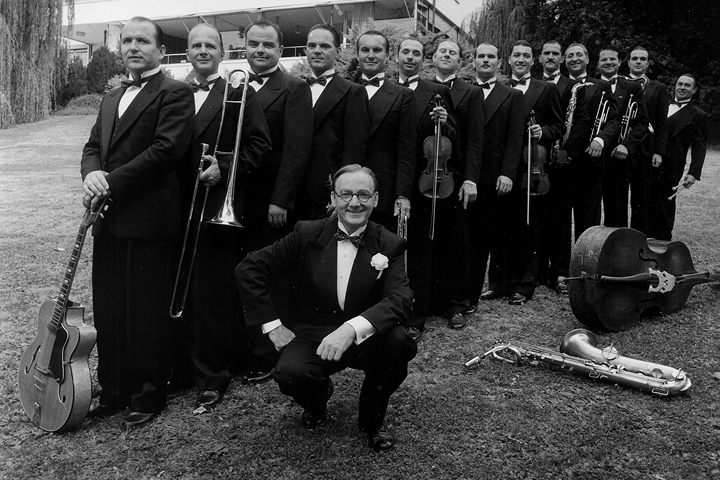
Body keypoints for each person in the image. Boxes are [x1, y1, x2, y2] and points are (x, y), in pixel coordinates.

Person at [236, 164, 417, 452]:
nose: (354, 202)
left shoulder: (389, 243)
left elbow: (400, 298)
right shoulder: (307, 232)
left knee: (397, 342)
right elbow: (250, 267)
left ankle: (372, 422)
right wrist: (272, 326)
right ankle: (318, 399)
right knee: (289, 373)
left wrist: (351, 328)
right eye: (345, 194)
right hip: (313, 332)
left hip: (365, 336)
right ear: (333, 199)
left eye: (363, 194)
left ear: (376, 199)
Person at [80, 16, 195, 427]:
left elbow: (166, 151)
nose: (133, 47)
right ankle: (112, 390)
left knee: (144, 310)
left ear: (161, 50)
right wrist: (92, 173)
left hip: (150, 220)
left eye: (143, 41)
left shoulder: (176, 92)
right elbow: (94, 146)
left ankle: (148, 395)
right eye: (127, 40)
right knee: (109, 308)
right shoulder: (112, 96)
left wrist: (109, 182)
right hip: (109, 219)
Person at [179, 23, 271, 409]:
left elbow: (260, 146)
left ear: (222, 52)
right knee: (177, 287)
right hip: (173, 204)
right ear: (186, 53)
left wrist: (225, 168)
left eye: (210, 46)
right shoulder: (174, 93)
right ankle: (180, 369)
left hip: (216, 205)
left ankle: (214, 373)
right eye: (196, 45)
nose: (203, 51)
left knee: (211, 292)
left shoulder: (238, 91)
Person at [241, 19, 314, 382]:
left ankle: (270, 351)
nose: (259, 50)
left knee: (273, 276)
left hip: (272, 202)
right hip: (238, 199)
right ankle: (245, 344)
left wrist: (281, 199)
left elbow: (297, 151)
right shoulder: (235, 85)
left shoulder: (294, 87)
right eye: (254, 44)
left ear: (280, 50)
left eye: (267, 45)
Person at [396, 37, 468, 331]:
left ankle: (437, 309)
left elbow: (455, 134)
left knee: (433, 246)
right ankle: (406, 308)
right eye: (405, 52)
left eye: (416, 53)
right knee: (406, 248)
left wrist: (444, 121)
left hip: (431, 178)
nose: (410, 57)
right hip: (400, 179)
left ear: (423, 59)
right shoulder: (387, 89)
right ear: (397, 57)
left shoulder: (435, 91)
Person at [505, 40, 563, 305]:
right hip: (504, 167)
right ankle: (501, 282)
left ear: (533, 61)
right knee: (503, 228)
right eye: (516, 55)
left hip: (532, 167)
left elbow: (558, 126)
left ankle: (526, 284)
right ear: (509, 59)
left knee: (529, 227)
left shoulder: (546, 88)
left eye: (525, 56)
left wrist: (544, 132)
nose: (520, 59)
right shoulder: (500, 88)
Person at [431, 39, 484, 317]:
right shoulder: (421, 87)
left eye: (453, 52)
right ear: (434, 57)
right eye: (443, 51)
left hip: (456, 175)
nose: (447, 55)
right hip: (426, 178)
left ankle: (455, 304)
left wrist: (470, 179)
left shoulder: (472, 92)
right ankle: (429, 300)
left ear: (460, 60)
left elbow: (476, 139)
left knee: (455, 242)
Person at [295, 24, 370, 220]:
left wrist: (343, 194)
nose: (317, 51)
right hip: (291, 190)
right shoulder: (294, 89)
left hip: (326, 191)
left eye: (325, 46)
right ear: (305, 50)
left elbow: (355, 147)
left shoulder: (353, 91)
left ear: (338, 50)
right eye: (312, 46)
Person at [469, 43, 525, 304]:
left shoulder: (512, 96)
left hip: (496, 174)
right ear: (474, 61)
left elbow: (516, 139)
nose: (486, 60)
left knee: (499, 232)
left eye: (491, 56)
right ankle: (467, 287)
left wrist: (508, 174)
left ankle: (499, 284)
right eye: (481, 56)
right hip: (467, 172)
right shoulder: (463, 91)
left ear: (499, 63)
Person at [536, 40, 590, 293]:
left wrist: (567, 151)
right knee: (537, 217)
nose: (550, 57)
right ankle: (536, 269)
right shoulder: (531, 84)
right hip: (534, 161)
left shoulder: (573, 86)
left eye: (555, 53)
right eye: (546, 53)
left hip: (562, 162)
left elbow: (581, 122)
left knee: (559, 218)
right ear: (540, 58)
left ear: (561, 59)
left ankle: (559, 272)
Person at [356, 30, 417, 233]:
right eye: (365, 50)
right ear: (357, 55)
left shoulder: (403, 96)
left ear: (388, 56)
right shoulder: (345, 90)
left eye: (377, 50)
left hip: (385, 192)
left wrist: (402, 195)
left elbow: (407, 149)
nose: (371, 55)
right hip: (348, 190)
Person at [564, 43, 619, 240]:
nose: (575, 58)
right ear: (565, 60)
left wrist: (600, 140)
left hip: (590, 161)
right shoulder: (557, 84)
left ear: (588, 60)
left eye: (579, 55)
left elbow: (613, 119)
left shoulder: (601, 85)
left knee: (588, 219)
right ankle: (561, 268)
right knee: (559, 220)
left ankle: (585, 265)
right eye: (570, 55)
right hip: (562, 163)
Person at [648, 74, 708, 240]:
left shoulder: (698, 115)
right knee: (645, 204)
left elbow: (699, 146)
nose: (682, 87)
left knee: (664, 208)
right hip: (648, 162)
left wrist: (693, 172)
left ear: (694, 90)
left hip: (671, 167)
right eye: (680, 84)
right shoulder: (661, 106)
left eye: (687, 85)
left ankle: (662, 245)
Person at [597, 46, 649, 228]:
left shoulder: (632, 87)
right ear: (598, 64)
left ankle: (615, 251)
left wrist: (627, 145)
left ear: (620, 62)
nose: (608, 62)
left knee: (617, 209)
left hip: (619, 157)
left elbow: (642, 122)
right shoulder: (591, 85)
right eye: (604, 59)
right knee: (590, 209)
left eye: (612, 59)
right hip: (593, 157)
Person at [626, 46, 668, 235]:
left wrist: (659, 151)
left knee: (641, 199)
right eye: (634, 58)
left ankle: (639, 239)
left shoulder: (658, 88)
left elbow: (661, 123)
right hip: (622, 146)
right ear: (628, 62)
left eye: (642, 59)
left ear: (648, 63)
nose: (638, 62)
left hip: (646, 149)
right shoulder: (619, 83)